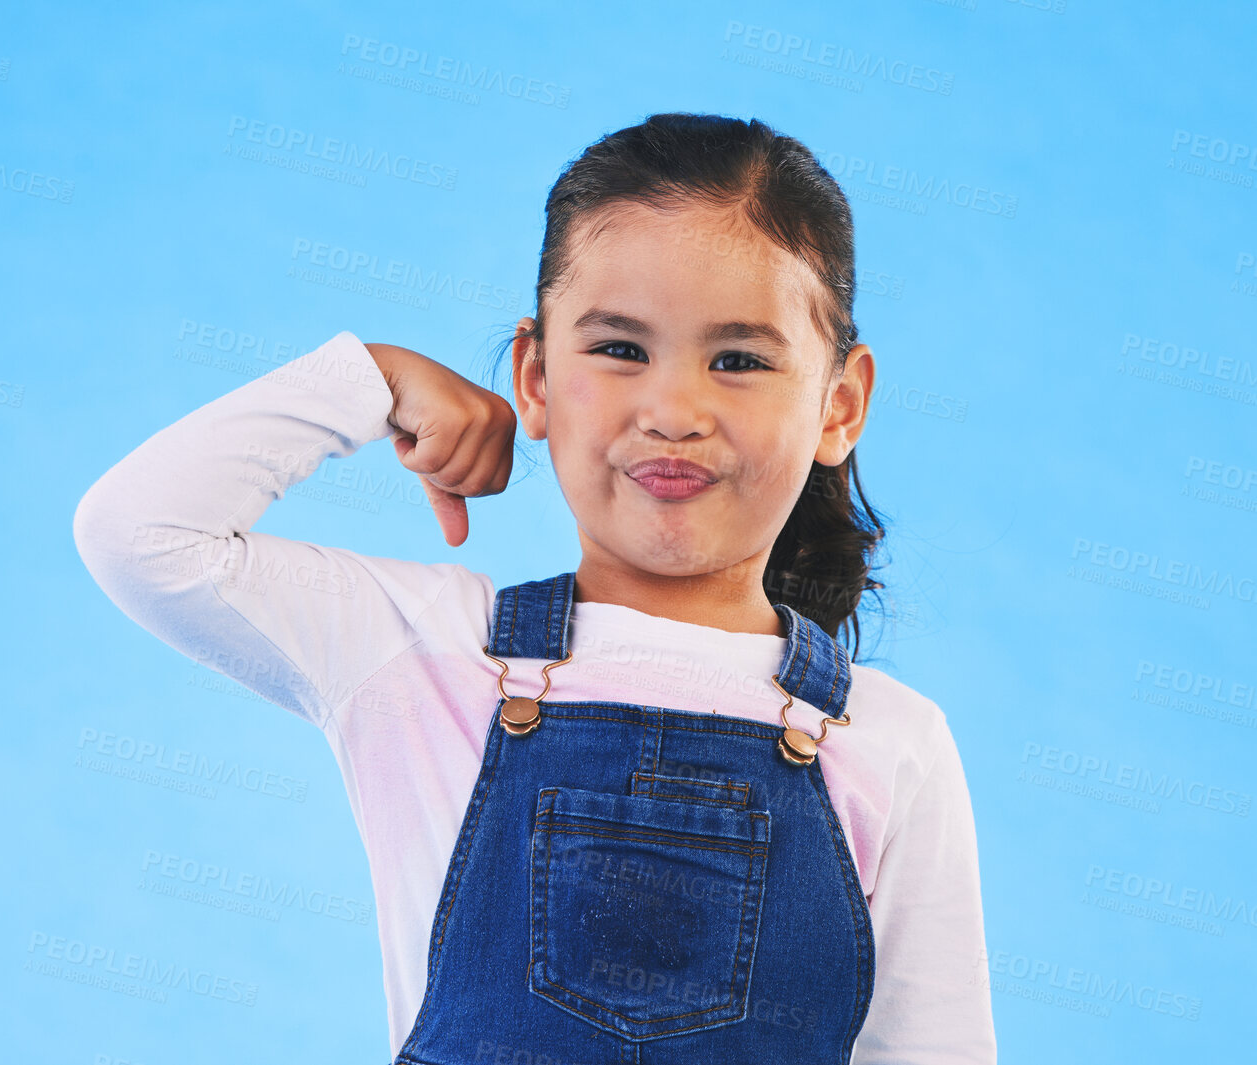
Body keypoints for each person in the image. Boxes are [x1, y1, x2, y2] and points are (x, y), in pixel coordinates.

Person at [73, 112, 996, 1063]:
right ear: (536, 377)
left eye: (739, 360)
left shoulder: (888, 741)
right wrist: (369, 380)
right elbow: (139, 534)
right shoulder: (430, 655)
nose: (673, 411)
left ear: (838, 404)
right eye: (620, 349)